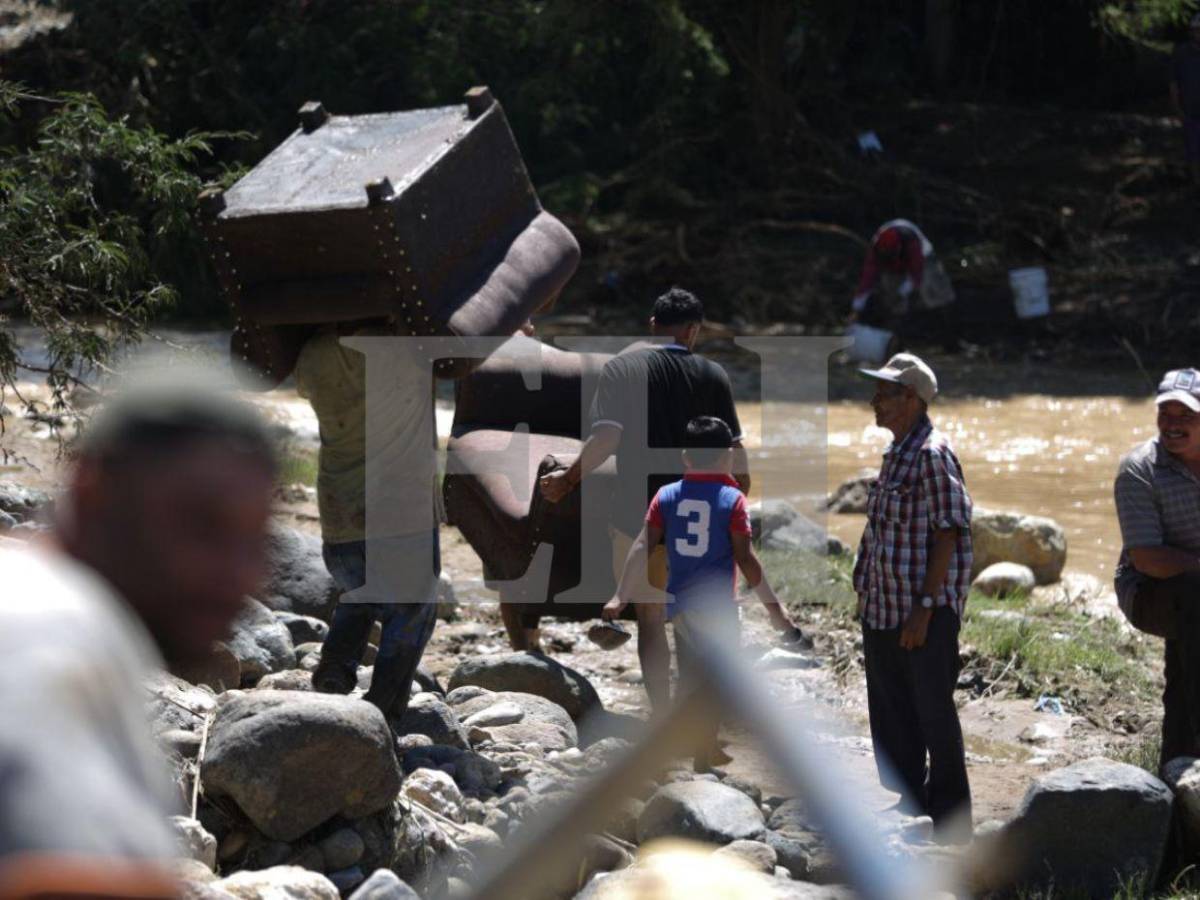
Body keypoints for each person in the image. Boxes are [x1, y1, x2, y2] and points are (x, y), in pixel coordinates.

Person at [0, 375, 275, 865]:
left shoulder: (86, 632)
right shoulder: (44, 624)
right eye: (202, 522)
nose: (239, 573)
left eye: (255, 536)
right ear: (91, 494)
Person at [537, 287, 749, 710]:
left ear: (652, 326)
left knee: (651, 621)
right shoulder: (713, 374)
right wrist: (738, 497)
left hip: (641, 516)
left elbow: (606, 437)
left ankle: (661, 718)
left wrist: (568, 478)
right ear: (693, 331)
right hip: (703, 520)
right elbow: (736, 454)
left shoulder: (623, 368)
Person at [602, 416, 799, 770]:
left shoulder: (666, 496)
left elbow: (642, 545)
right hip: (719, 607)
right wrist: (775, 610)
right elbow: (746, 559)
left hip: (679, 606)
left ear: (685, 457)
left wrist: (621, 595)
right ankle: (701, 756)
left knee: (692, 675)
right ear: (728, 457)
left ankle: (689, 749)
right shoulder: (733, 500)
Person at [853, 352, 972, 841]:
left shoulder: (932, 453)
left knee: (932, 711)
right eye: (877, 393)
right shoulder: (898, 451)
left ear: (912, 399)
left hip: (920, 612)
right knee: (891, 708)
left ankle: (950, 819)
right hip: (882, 606)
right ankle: (910, 802)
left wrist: (925, 609)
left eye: (884, 393)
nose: (874, 402)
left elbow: (949, 532)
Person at [297, 322, 441, 724]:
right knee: (411, 610)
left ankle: (334, 672)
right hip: (400, 509)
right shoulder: (408, 346)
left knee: (358, 596)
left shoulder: (312, 352)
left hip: (339, 508)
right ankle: (382, 710)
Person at [1113, 368, 1200, 771]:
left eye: (1186, 415)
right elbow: (1147, 557)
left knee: (1185, 667)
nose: (1173, 424)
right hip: (1149, 589)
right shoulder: (1138, 469)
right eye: (1166, 413)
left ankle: (1178, 763)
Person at [850, 220, 955, 347]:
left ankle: (949, 338)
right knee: (893, 304)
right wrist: (857, 307)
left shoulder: (911, 242)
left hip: (924, 261)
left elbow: (916, 274)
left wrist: (902, 292)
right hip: (894, 269)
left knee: (937, 296)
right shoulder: (877, 248)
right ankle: (895, 342)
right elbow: (868, 276)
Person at [1172, 14, 1200, 186]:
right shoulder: (1182, 53)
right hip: (1191, 111)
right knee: (1194, 153)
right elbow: (1174, 83)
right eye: (1197, 30)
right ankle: (1197, 187)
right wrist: (1177, 108)